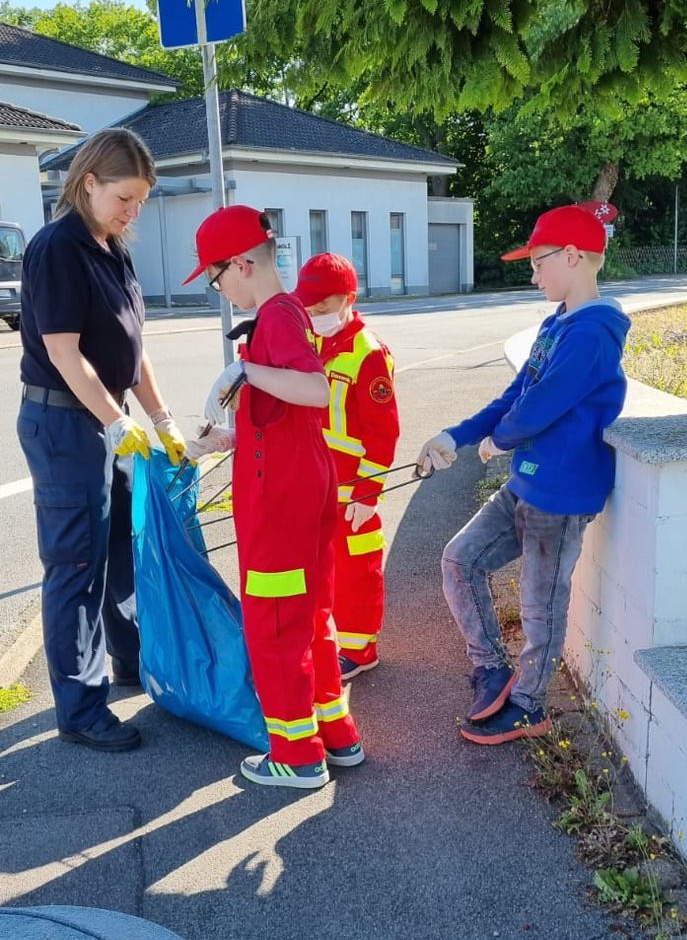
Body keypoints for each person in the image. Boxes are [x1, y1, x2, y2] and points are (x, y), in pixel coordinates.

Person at [416, 203, 630, 744]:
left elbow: (543, 406)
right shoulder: (556, 324)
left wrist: (500, 438)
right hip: (526, 483)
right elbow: (515, 395)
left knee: (542, 607)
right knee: (459, 560)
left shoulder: (595, 332)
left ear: (575, 256)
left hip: (561, 493)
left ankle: (531, 705)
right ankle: (492, 668)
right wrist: (455, 437)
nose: (532, 275)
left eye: (538, 263)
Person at [17, 127, 186, 753]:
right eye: (125, 198)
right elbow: (65, 352)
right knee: (77, 565)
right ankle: (81, 709)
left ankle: (128, 658)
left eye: (141, 200)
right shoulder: (58, 248)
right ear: (89, 182)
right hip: (67, 424)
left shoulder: (111, 247)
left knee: (121, 545)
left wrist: (161, 419)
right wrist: (116, 422)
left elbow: (131, 349)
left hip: (104, 421)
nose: (133, 211)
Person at [184, 206, 363, 789]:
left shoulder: (275, 317)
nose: (219, 290)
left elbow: (312, 389)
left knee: (275, 623)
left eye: (216, 278)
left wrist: (245, 375)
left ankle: (296, 755)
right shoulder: (285, 316)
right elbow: (282, 422)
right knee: (310, 614)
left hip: (280, 501)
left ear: (241, 265)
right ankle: (335, 735)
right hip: (298, 484)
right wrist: (226, 439)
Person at [295, 252, 400, 680]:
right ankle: (330, 640)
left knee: (357, 570)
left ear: (348, 300)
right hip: (315, 485)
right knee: (320, 569)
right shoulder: (313, 342)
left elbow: (384, 432)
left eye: (324, 306)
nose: (315, 313)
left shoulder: (368, 354)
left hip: (351, 490)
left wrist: (368, 492)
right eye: (309, 306)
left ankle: (359, 650)